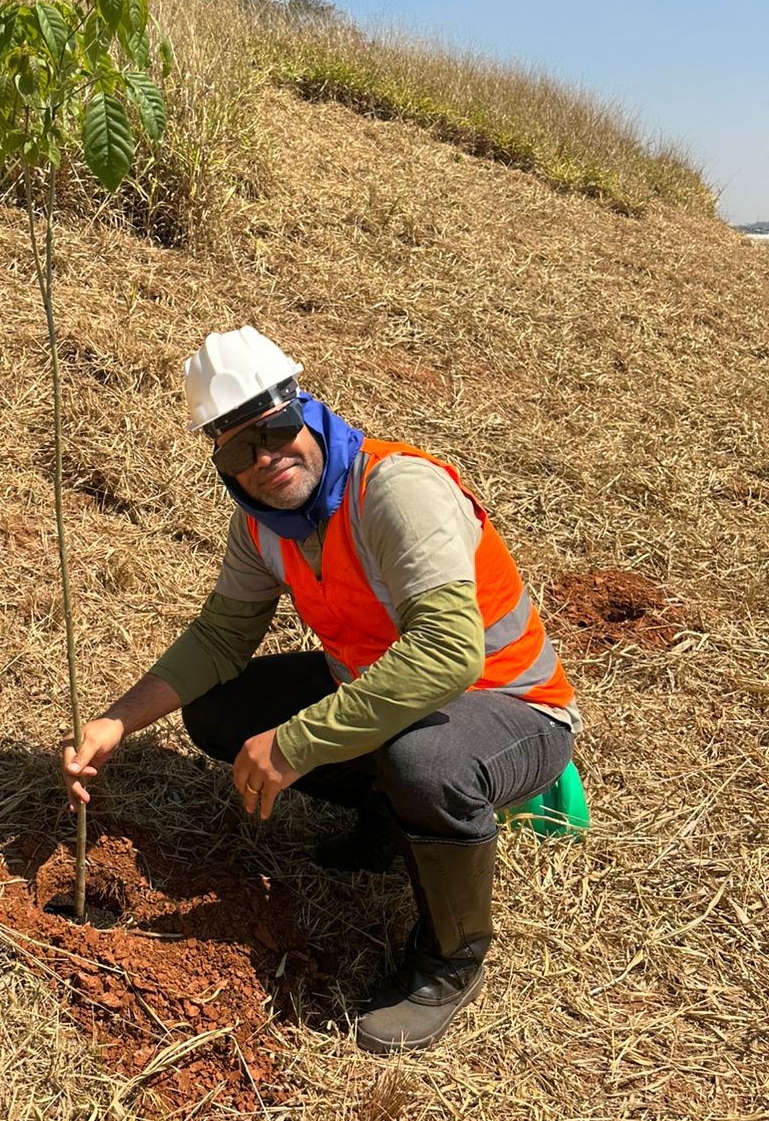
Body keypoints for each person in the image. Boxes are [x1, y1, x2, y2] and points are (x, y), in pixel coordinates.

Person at [61, 326, 581, 1052]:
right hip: (386, 695)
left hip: (512, 708)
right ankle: (388, 817)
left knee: (424, 766)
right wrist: (116, 722)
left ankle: (451, 958)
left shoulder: (395, 489)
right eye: (241, 449)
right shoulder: (262, 526)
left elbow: (451, 652)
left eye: (277, 429)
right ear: (222, 463)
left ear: (306, 410)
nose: (268, 457)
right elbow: (219, 638)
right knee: (221, 710)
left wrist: (298, 743)